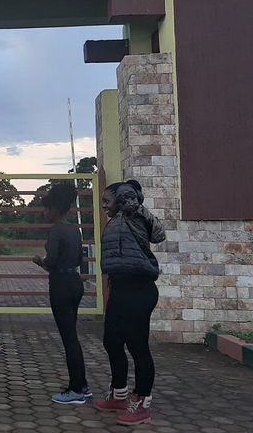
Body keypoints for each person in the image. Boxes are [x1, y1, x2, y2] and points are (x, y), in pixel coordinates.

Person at [94, 180, 165, 426]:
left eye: (106, 200)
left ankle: (142, 402)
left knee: (137, 347)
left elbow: (159, 235)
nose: (103, 205)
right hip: (120, 288)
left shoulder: (135, 217)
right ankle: (119, 394)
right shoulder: (115, 221)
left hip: (139, 288)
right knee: (112, 341)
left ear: (122, 198)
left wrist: (130, 198)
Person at [31, 184, 90, 405]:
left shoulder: (56, 230)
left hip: (61, 285)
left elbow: (52, 261)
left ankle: (76, 390)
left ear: (55, 209)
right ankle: (82, 384)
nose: (44, 213)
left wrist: (40, 262)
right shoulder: (75, 230)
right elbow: (78, 261)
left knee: (69, 339)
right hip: (75, 283)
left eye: (47, 209)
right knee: (72, 336)